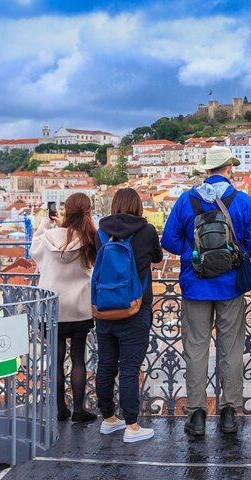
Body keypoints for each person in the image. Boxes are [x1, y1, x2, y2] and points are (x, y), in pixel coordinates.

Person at [161, 146, 251, 436]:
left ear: (206, 171)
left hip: (195, 284)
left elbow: (168, 240)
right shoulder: (241, 200)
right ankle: (229, 412)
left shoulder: (185, 199)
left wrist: (192, 254)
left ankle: (196, 415)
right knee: (230, 349)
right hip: (231, 285)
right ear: (229, 169)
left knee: (195, 349)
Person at [95, 188, 163, 443]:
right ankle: (132, 426)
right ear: (138, 206)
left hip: (104, 308)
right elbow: (157, 257)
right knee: (129, 368)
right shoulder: (145, 231)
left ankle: (108, 419)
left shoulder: (101, 231)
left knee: (106, 365)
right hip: (135, 307)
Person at [31, 193, 98, 423]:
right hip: (79, 307)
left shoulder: (49, 237)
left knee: (56, 359)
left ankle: (60, 408)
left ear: (66, 212)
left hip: (53, 308)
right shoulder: (90, 238)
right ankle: (79, 409)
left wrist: (48, 222)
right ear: (87, 213)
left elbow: (35, 250)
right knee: (78, 358)